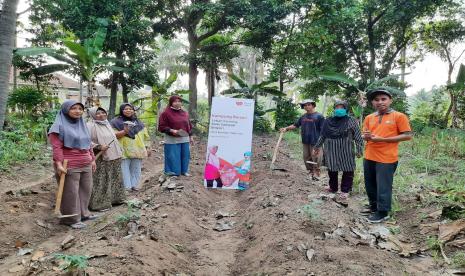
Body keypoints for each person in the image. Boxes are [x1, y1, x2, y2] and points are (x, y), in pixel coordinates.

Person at [362, 89, 412, 223]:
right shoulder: (369, 117)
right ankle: (374, 207)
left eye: (383, 99)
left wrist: (382, 139)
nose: (380, 102)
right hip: (369, 155)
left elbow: (407, 135)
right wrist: (366, 137)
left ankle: (383, 212)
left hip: (387, 158)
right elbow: (364, 134)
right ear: (372, 102)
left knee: (383, 186)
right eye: (376, 100)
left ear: (390, 100)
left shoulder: (399, 116)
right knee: (370, 184)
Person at [48, 100, 97, 229]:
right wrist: (58, 164)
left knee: (86, 189)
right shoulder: (58, 126)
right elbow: (56, 147)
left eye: (80, 109)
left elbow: (88, 144)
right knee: (70, 192)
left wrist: (92, 159)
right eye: (73, 108)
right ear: (66, 110)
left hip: (85, 162)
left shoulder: (83, 125)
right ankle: (71, 219)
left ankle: (84, 213)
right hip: (68, 164)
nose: (77, 111)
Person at [314, 101, 364, 200]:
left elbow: (358, 136)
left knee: (348, 170)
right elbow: (323, 135)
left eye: (342, 107)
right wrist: (316, 147)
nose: (339, 109)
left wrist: (359, 150)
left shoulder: (352, 121)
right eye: (337, 107)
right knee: (332, 169)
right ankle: (333, 187)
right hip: (331, 150)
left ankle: (345, 190)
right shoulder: (328, 121)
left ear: (346, 109)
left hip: (346, 150)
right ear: (334, 109)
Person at [87, 107, 126, 211]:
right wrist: (98, 146)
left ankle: (116, 200)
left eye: (103, 112)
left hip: (114, 156)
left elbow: (113, 137)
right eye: (98, 113)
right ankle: (99, 205)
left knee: (114, 177)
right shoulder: (90, 126)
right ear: (92, 115)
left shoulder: (107, 123)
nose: (101, 115)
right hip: (101, 157)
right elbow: (85, 141)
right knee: (101, 180)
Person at [280, 99, 325, 181]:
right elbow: (295, 125)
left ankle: (316, 172)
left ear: (313, 105)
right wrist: (286, 128)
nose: (307, 106)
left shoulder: (319, 116)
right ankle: (311, 171)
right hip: (305, 141)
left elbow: (323, 130)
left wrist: (320, 142)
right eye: (305, 105)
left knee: (316, 157)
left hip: (316, 142)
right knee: (306, 157)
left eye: (309, 104)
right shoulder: (303, 117)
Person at [110, 103, 150, 191]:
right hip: (123, 149)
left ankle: (135, 185)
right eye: (126, 109)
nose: (128, 110)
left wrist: (147, 146)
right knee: (124, 169)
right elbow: (113, 135)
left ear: (133, 110)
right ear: (121, 110)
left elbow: (146, 135)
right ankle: (126, 187)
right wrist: (125, 131)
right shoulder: (115, 122)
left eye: (130, 109)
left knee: (136, 168)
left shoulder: (138, 122)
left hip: (138, 149)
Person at [158, 95, 194, 176]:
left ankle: (184, 171)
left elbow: (189, 125)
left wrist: (191, 136)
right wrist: (172, 130)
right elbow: (162, 126)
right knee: (173, 155)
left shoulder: (185, 113)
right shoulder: (165, 113)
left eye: (179, 101)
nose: (177, 103)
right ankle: (172, 172)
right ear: (171, 103)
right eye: (175, 101)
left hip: (184, 137)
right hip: (171, 138)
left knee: (185, 155)